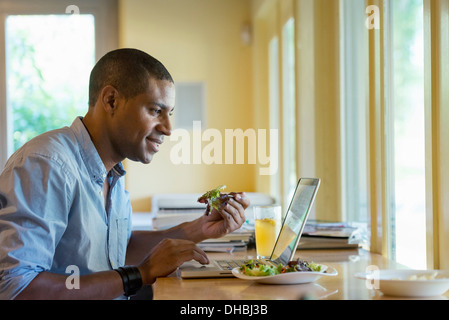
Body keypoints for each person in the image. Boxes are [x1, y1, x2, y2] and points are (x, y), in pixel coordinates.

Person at [0, 48, 250, 299]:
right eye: (155, 111)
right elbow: (17, 287)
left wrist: (199, 229)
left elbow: (119, 249)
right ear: (111, 100)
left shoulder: (113, 174)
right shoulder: (46, 164)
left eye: (169, 114)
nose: (168, 129)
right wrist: (138, 274)